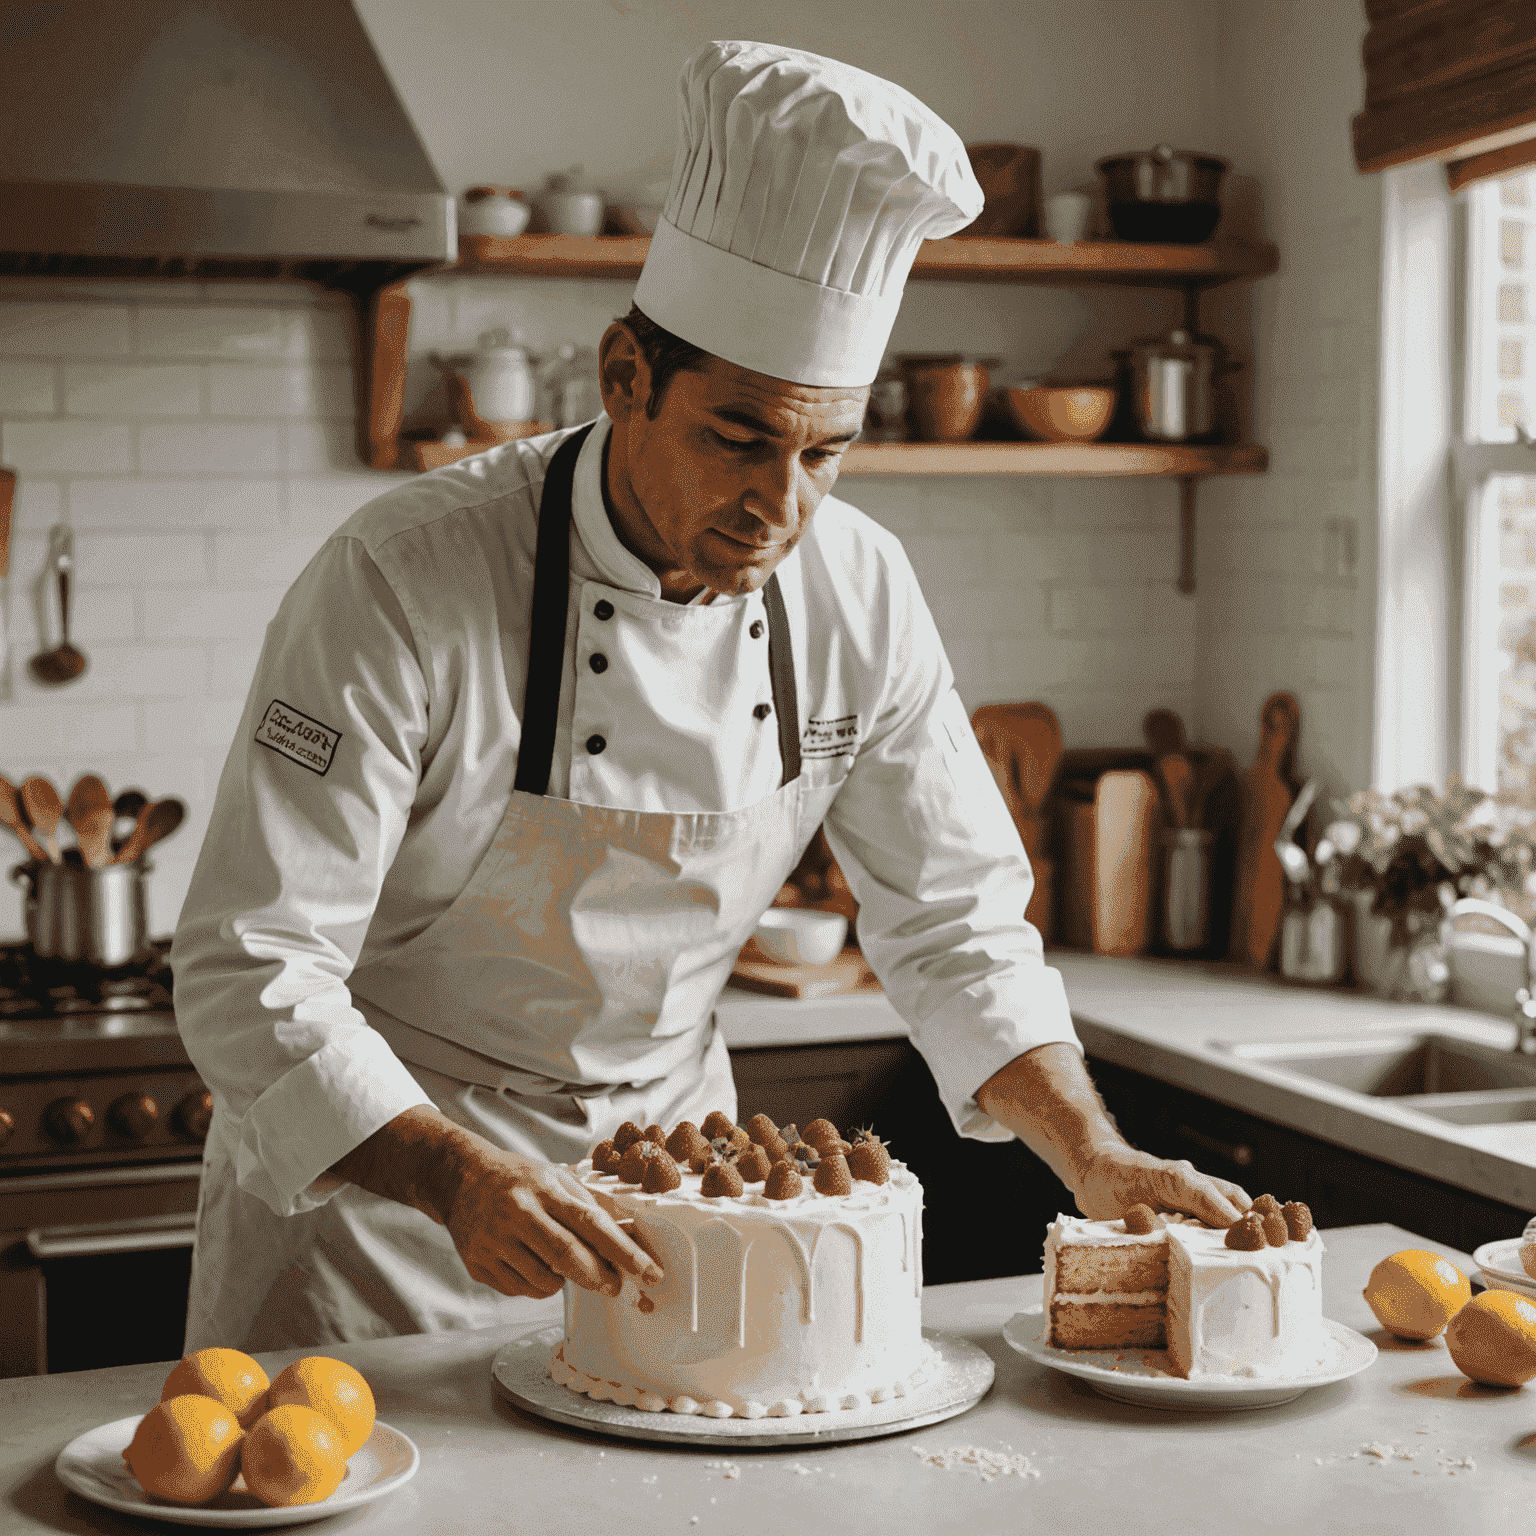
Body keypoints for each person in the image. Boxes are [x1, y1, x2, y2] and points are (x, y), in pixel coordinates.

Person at [173, 40, 1249, 1353]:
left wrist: (1089, 1155)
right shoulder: (405, 577)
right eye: (740, 439)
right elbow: (252, 961)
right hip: (382, 1209)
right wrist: (456, 1175)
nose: (778, 507)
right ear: (625, 377)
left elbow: (957, 919)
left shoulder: (858, 591)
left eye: (826, 453)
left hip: (671, 1197)